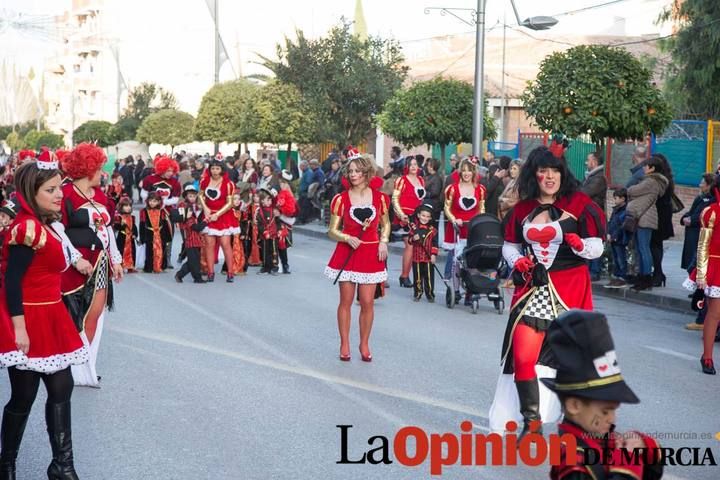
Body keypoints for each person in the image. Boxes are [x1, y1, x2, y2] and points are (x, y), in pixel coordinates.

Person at [488, 146, 605, 437]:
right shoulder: (523, 209)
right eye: (543, 171)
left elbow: (598, 246)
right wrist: (519, 261)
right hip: (533, 290)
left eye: (554, 170)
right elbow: (510, 245)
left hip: (570, 290)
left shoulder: (580, 204)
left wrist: (580, 246)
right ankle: (532, 422)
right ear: (534, 174)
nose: (549, 176)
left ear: (562, 173)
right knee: (524, 357)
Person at [0, 158, 89, 478]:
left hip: (53, 314)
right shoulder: (25, 227)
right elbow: (11, 281)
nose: (59, 195)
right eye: (50, 190)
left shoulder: (50, 224)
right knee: (23, 397)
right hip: (28, 318)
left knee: (61, 388)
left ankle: (62, 466)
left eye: (59, 188)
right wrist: (19, 329)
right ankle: (6, 462)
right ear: (30, 191)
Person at [545, 310, 664, 480]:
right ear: (574, 406)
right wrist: (626, 468)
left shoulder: (599, 438)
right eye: (605, 412)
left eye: (613, 411)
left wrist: (646, 447)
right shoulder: (573, 461)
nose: (613, 419)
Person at [59, 144, 123, 388]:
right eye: (99, 168)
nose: (102, 173)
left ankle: (86, 368)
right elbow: (58, 231)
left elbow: (107, 230)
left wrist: (115, 259)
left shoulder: (101, 196)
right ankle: (71, 367)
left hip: (101, 262)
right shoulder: (65, 194)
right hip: (75, 266)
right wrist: (75, 258)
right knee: (74, 316)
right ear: (88, 169)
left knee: (94, 314)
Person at [324, 151, 389, 362]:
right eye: (350, 171)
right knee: (346, 301)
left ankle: (364, 343)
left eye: (357, 171)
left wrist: (383, 241)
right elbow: (332, 230)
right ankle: (344, 343)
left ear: (367, 172)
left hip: (370, 253)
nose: (353, 175)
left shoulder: (380, 198)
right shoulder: (340, 199)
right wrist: (346, 237)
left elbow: (385, 224)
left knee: (368, 302)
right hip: (347, 253)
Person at [684, 175, 720, 375]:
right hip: (715, 264)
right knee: (714, 314)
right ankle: (707, 357)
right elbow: (703, 244)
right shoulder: (711, 212)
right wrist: (701, 274)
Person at [625, 156, 669, 291]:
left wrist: (632, 191)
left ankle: (646, 278)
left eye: (646, 166)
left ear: (652, 168)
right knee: (640, 248)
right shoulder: (652, 181)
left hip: (645, 218)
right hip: (643, 217)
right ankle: (642, 277)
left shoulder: (651, 181)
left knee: (644, 249)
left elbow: (632, 190)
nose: (643, 168)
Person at [442, 159, 486, 283]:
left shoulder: (480, 189)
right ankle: (453, 285)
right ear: (460, 172)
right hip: (457, 228)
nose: (466, 173)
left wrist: (478, 221)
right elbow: (446, 207)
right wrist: (454, 220)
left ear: (473, 172)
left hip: (472, 229)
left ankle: (470, 286)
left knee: (472, 259)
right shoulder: (452, 189)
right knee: (455, 258)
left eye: (469, 171)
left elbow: (481, 207)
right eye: (464, 170)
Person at [199, 158, 236, 283]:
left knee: (225, 244)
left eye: (217, 168)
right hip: (209, 215)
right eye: (213, 168)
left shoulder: (228, 183)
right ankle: (210, 272)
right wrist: (205, 209)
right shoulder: (205, 180)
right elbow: (200, 195)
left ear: (222, 169)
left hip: (224, 216)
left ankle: (230, 272)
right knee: (209, 245)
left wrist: (218, 214)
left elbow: (230, 203)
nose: (215, 171)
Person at [392, 156, 426, 288]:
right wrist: (401, 216)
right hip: (405, 217)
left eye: (415, 164)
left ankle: (411, 276)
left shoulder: (421, 180)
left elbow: (421, 200)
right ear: (406, 166)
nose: (413, 167)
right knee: (410, 245)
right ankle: (404, 276)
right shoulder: (401, 180)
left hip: (418, 217)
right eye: (411, 164)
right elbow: (395, 199)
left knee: (417, 247)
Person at [581, 151, 608, 282]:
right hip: (587, 215)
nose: (587, 163)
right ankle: (588, 270)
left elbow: (584, 193)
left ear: (595, 162)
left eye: (588, 160)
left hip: (594, 216)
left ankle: (594, 271)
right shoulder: (590, 176)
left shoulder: (598, 178)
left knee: (595, 242)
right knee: (587, 242)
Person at [650, 153, 675, 288]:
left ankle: (658, 274)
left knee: (654, 245)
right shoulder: (668, 178)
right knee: (657, 245)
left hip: (659, 214)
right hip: (665, 214)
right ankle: (658, 273)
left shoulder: (659, 180)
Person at [174, 183, 207, 284]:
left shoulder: (193, 207)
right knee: (194, 260)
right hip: (191, 238)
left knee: (194, 260)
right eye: (190, 196)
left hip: (196, 238)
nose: (192, 198)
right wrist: (206, 221)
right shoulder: (185, 208)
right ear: (186, 196)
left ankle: (181, 275)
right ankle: (196, 278)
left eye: (194, 196)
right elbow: (195, 227)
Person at [681, 174, 714, 271]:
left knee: (695, 263)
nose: (700, 185)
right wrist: (685, 217)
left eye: (703, 183)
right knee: (690, 263)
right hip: (692, 232)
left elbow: (703, 214)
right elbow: (692, 211)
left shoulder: (711, 200)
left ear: (709, 185)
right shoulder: (700, 197)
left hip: (699, 233)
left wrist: (691, 219)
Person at [408, 204, 438, 302]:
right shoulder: (414, 229)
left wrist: (433, 255)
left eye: (427, 216)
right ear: (418, 215)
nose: (425, 218)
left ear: (430, 218)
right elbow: (409, 241)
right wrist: (413, 238)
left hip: (428, 257)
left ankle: (430, 294)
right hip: (416, 257)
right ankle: (418, 293)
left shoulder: (432, 230)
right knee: (417, 277)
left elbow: (435, 243)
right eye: (423, 215)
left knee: (429, 277)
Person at [139, 191, 172, 273]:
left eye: (154, 201)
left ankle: (161, 266)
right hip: (149, 233)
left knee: (162, 249)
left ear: (159, 202)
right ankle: (149, 267)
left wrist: (168, 238)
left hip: (160, 234)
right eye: (150, 201)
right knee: (149, 251)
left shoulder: (162, 211)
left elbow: (165, 224)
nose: (152, 203)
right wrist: (142, 237)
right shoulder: (144, 211)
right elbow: (142, 225)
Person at [604, 189, 631, 288]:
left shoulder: (625, 211)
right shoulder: (616, 210)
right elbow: (611, 222)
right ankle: (616, 276)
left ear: (623, 199)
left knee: (621, 258)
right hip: (612, 237)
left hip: (619, 238)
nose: (614, 200)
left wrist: (614, 236)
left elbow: (621, 226)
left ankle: (622, 277)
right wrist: (608, 233)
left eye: (616, 198)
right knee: (615, 258)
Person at [276, 172, 298, 274]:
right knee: (277, 242)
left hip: (283, 220)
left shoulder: (287, 193)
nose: (281, 184)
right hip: (278, 219)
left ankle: (284, 264)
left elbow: (290, 209)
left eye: (282, 183)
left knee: (282, 243)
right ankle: (279, 264)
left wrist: (280, 210)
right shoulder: (281, 191)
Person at [255, 188, 279, 275]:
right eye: (267, 200)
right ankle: (265, 267)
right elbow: (259, 224)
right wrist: (264, 232)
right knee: (265, 251)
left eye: (270, 200)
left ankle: (274, 266)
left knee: (274, 250)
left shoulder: (274, 210)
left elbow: (278, 221)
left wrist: (279, 230)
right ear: (262, 201)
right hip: (264, 235)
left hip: (273, 234)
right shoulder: (259, 211)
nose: (269, 201)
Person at [113, 196, 138, 273]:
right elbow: (116, 227)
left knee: (132, 251)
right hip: (122, 237)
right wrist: (121, 224)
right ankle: (121, 266)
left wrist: (135, 234)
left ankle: (131, 266)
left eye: (129, 206)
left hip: (130, 238)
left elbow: (134, 227)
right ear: (121, 207)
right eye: (125, 206)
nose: (128, 208)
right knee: (121, 251)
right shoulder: (119, 217)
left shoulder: (132, 217)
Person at [421, 158, 443, 224]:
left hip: (434, 206)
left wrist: (423, 194)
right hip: (427, 204)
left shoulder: (436, 178)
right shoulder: (427, 176)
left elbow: (435, 192)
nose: (427, 167)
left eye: (428, 165)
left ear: (432, 167)